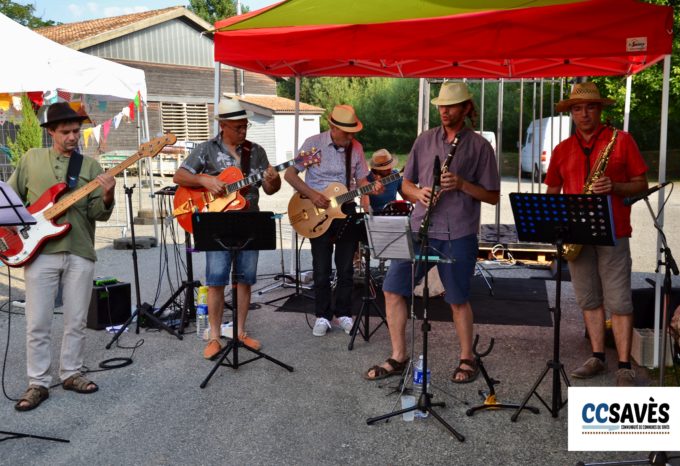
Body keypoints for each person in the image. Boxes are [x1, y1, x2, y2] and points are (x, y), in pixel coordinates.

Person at [364, 81, 500, 383]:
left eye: (451, 106)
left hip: (459, 231)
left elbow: (492, 195)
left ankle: (467, 358)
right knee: (392, 288)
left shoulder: (479, 146)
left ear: (466, 108)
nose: (444, 111)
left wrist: (462, 184)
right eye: (441, 106)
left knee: (457, 298)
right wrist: (419, 194)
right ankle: (398, 355)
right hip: (420, 226)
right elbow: (405, 183)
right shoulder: (424, 141)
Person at [8, 102, 116, 411]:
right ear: (51, 132)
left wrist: (107, 194)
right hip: (40, 252)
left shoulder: (91, 167)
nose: (73, 137)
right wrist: (12, 233)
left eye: (76, 131)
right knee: (37, 321)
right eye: (66, 132)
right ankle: (37, 382)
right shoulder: (32, 159)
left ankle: (71, 373)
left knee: (76, 319)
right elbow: (13, 201)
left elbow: (99, 213)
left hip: (80, 248)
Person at [544, 82, 649, 387]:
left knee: (619, 299)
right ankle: (598, 357)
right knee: (588, 298)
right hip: (576, 232)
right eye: (577, 108)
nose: (584, 114)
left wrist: (615, 187)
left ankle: (625, 365)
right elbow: (552, 190)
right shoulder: (563, 149)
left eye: (590, 107)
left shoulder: (622, 141)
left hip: (614, 230)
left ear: (600, 110)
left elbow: (641, 184)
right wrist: (555, 221)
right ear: (571, 113)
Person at [173, 98, 281, 359]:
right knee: (216, 280)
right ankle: (214, 335)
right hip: (216, 222)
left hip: (250, 221)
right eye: (237, 127)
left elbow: (269, 189)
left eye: (245, 126)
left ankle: (241, 332)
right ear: (223, 126)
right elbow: (179, 176)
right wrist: (203, 179)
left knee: (245, 279)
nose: (243, 131)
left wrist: (273, 180)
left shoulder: (256, 152)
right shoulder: (206, 150)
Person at [284, 104, 382, 337]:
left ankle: (344, 313)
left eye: (352, 132)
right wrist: (312, 194)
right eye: (346, 132)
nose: (350, 137)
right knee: (321, 268)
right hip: (315, 210)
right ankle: (322, 315)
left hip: (345, 209)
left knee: (346, 267)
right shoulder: (313, 143)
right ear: (332, 127)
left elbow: (360, 182)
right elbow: (289, 174)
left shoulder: (355, 148)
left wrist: (371, 189)